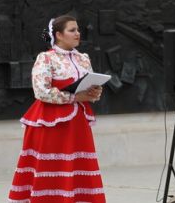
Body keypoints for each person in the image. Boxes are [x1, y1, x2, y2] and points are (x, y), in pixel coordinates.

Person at [7, 14, 106, 203]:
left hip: (77, 123)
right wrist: (75, 97)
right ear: (59, 35)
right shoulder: (46, 58)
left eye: (78, 30)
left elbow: (91, 88)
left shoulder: (83, 58)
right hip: (51, 123)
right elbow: (41, 91)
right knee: (51, 170)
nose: (78, 33)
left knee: (76, 169)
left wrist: (94, 92)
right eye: (72, 30)